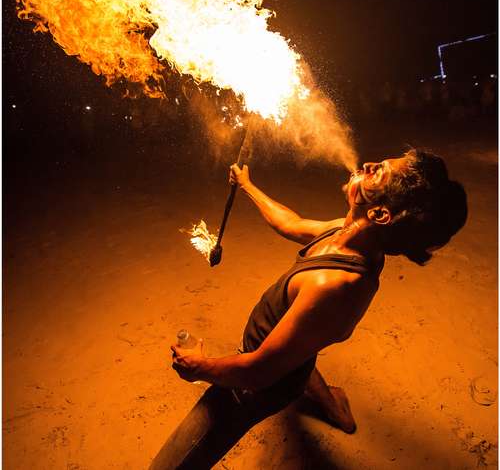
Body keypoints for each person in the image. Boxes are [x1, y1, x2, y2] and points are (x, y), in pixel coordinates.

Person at [150, 149, 467, 469]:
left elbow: (257, 373)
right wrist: (246, 185)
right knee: (301, 355)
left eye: (379, 172)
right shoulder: (346, 231)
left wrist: (199, 367)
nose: (369, 164)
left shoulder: (332, 286)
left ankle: (330, 405)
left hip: (253, 387)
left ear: (380, 214)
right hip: (296, 357)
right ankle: (336, 409)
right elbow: (292, 223)